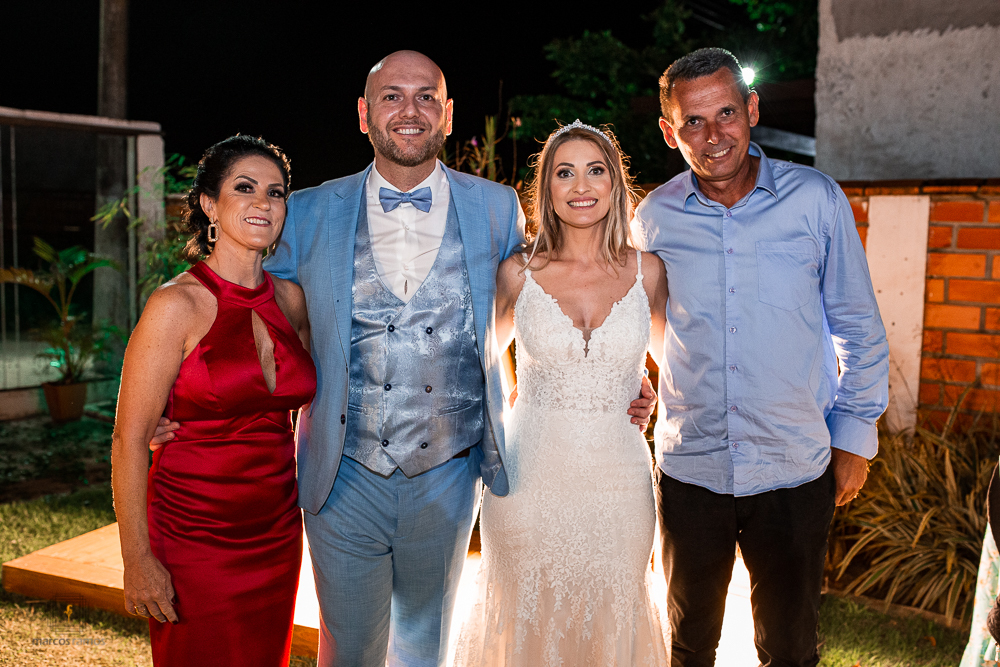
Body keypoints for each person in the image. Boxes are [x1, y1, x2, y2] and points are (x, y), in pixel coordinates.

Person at [150, 52, 657, 667]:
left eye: (425, 97)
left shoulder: (496, 207)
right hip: (342, 474)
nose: (409, 110)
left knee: (425, 650)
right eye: (392, 96)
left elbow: (534, 305)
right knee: (349, 650)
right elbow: (247, 300)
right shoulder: (308, 209)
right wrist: (181, 394)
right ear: (364, 114)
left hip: (449, 472)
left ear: (448, 113)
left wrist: (618, 375)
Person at [634, 48, 890, 667]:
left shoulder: (815, 199)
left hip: (793, 466)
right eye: (693, 122)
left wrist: (854, 438)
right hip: (691, 467)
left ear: (751, 108)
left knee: (791, 647)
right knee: (688, 644)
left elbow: (858, 325)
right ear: (669, 132)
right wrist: (646, 384)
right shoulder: (654, 217)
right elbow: (646, 324)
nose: (714, 135)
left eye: (726, 113)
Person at [453, 120, 670, 666]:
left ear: (615, 182)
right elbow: (473, 365)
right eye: (564, 173)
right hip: (529, 478)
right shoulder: (517, 273)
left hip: (619, 484)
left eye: (595, 171)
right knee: (527, 621)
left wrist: (648, 388)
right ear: (546, 187)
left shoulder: (648, 272)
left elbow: (682, 369)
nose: (581, 186)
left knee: (612, 621)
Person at [111, 135, 315, 666]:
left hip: (276, 530)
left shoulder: (292, 300)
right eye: (244, 188)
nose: (262, 202)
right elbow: (129, 440)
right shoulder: (174, 305)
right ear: (209, 205)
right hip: (193, 532)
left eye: (275, 192)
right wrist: (137, 560)